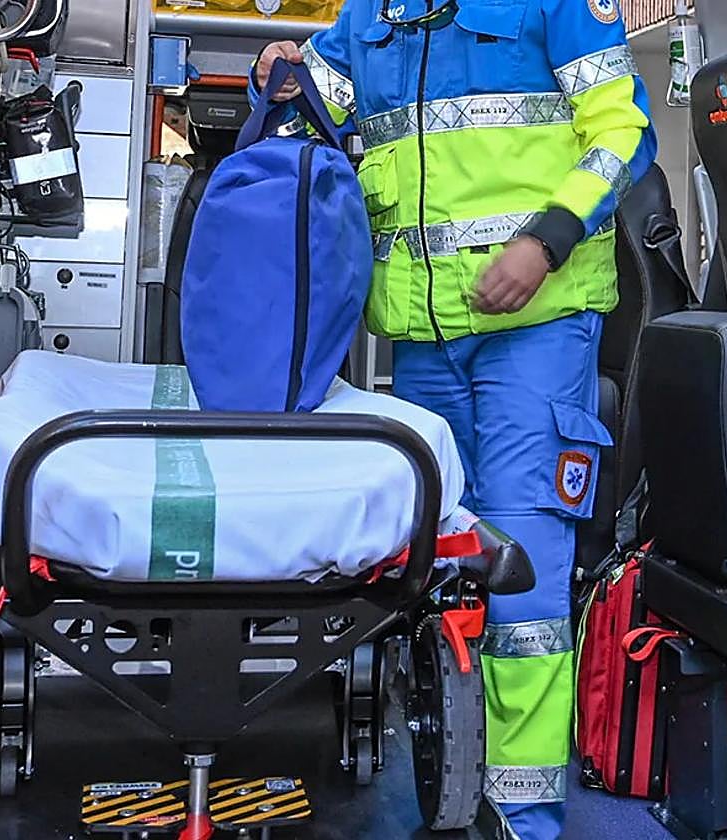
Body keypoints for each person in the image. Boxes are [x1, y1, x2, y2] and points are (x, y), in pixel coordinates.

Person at [253, 0, 655, 834]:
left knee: (521, 572)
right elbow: (310, 101)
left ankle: (522, 813)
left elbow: (622, 131)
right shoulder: (371, 18)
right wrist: (277, 73)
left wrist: (544, 241)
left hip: (535, 327)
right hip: (425, 337)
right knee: (433, 559)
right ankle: (449, 774)